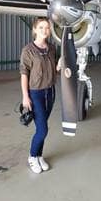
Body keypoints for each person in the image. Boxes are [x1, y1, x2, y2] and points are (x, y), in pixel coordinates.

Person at [20, 17, 60, 174]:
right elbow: (24, 74)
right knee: (42, 129)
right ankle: (32, 156)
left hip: (50, 92)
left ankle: (39, 155)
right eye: (41, 27)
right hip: (35, 93)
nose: (45, 30)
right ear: (35, 30)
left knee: (42, 127)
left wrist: (60, 64)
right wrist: (25, 96)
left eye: (48, 28)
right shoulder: (28, 50)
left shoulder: (51, 48)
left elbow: (55, 69)